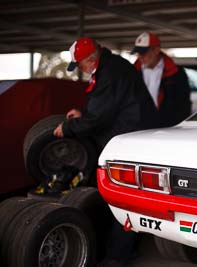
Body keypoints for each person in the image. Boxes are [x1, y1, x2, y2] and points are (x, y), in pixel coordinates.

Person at [54, 37, 159, 267]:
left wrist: (69, 128)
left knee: (123, 197)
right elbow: (103, 107)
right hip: (127, 136)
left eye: (80, 65)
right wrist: (82, 113)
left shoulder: (110, 72)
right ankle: (120, 250)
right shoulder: (108, 68)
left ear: (91, 59)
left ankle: (117, 257)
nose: (80, 70)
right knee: (119, 196)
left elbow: (100, 116)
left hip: (130, 142)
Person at [131, 32, 191, 127]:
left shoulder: (176, 73)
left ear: (156, 50)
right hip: (139, 127)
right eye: (138, 53)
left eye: (143, 52)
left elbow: (184, 104)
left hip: (167, 128)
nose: (140, 57)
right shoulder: (132, 72)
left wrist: (177, 127)